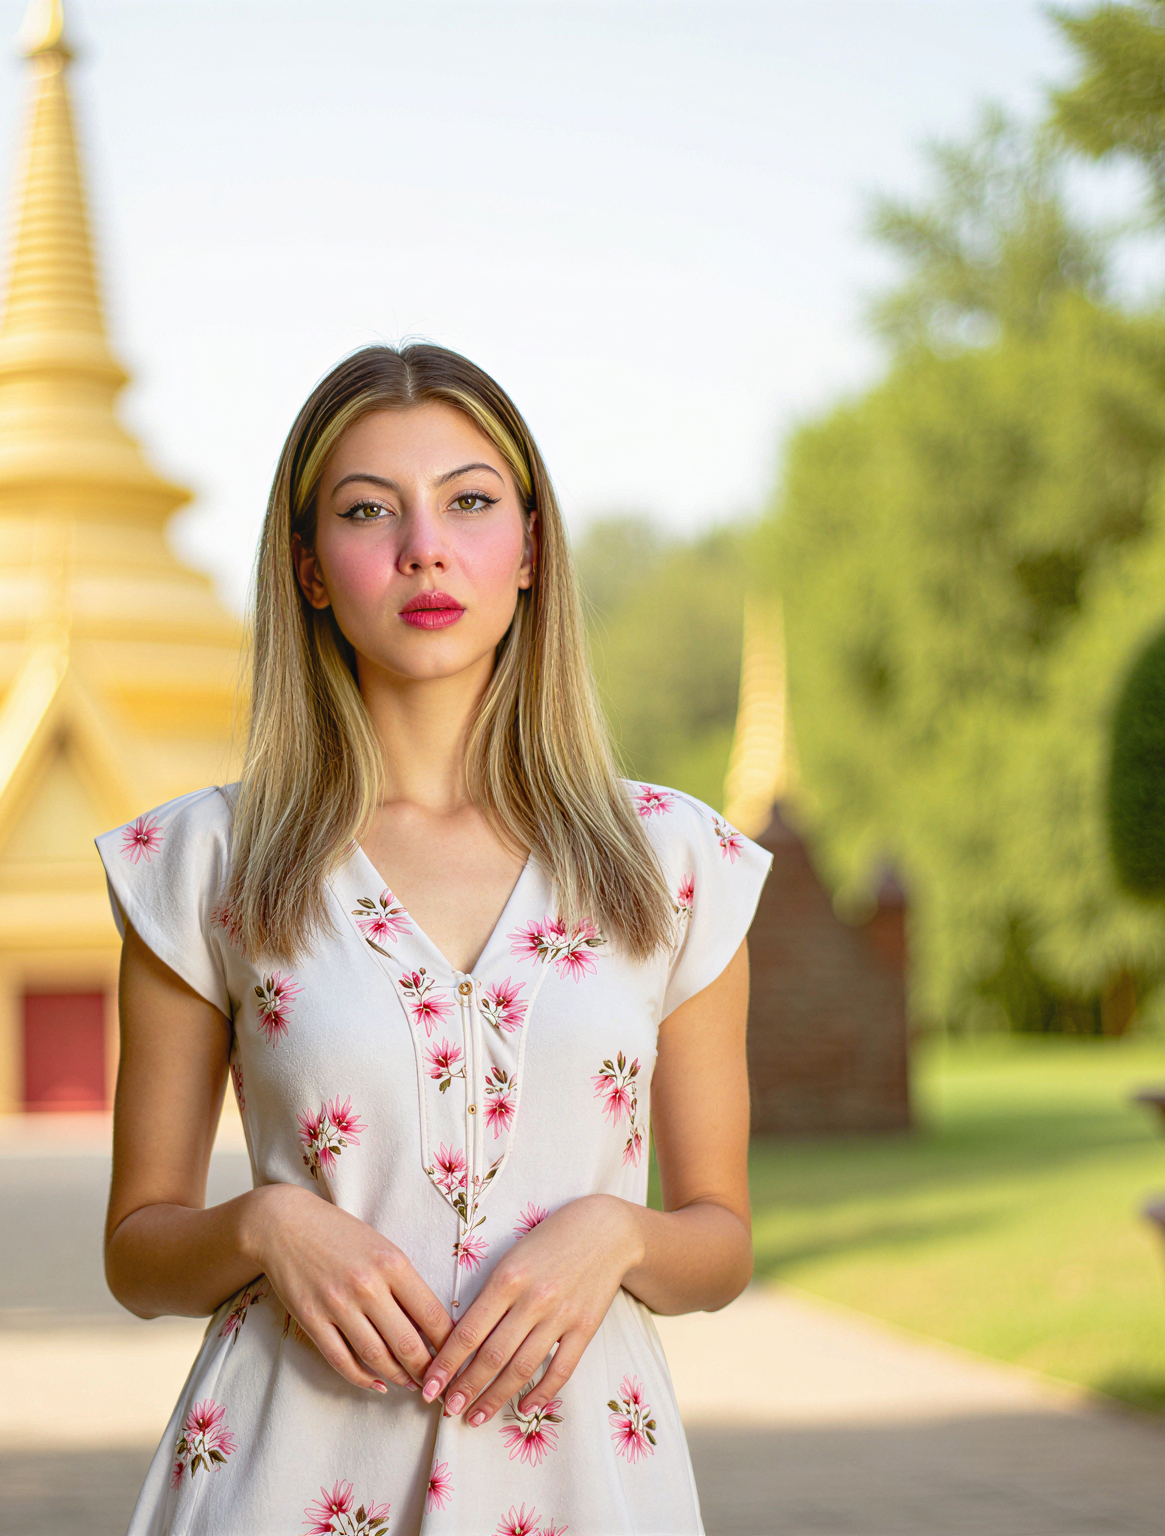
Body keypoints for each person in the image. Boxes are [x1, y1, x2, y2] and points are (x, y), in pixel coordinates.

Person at [98, 343, 770, 1535]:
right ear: (308, 568)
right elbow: (138, 1252)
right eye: (369, 511)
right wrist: (264, 1224)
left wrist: (614, 1235)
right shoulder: (203, 865)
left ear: (527, 552)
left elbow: (718, 1242)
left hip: (581, 1483)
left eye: (468, 501)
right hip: (282, 1475)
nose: (424, 547)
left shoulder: (672, 863)